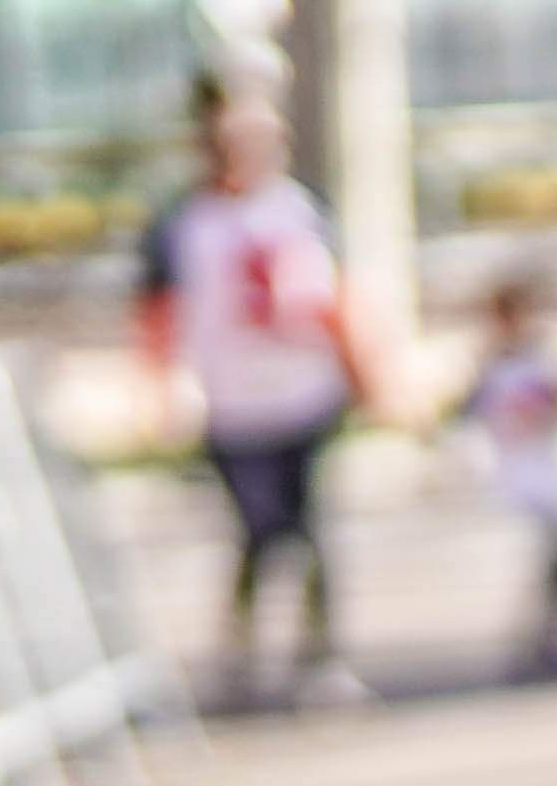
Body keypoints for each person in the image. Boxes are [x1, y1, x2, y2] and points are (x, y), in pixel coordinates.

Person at [135, 95, 379, 709]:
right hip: (232, 402)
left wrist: (364, 372)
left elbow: (335, 298)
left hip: (303, 392)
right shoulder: (183, 223)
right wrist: (164, 390)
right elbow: (158, 314)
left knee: (311, 527)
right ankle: (243, 651)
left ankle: (320, 655)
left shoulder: (300, 210)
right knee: (258, 529)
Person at [456, 275, 557, 679]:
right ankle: (530, 641)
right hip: (512, 474)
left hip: (547, 469)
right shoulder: (490, 365)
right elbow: (470, 417)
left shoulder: (545, 357)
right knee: (530, 561)